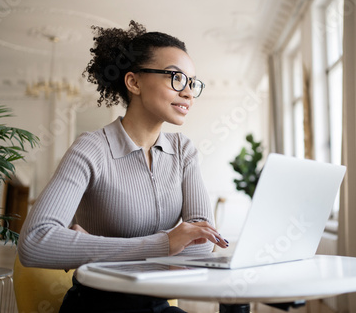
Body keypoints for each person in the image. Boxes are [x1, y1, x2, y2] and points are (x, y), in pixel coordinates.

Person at [18, 20, 228, 313]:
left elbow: (202, 244)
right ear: (134, 82)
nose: (189, 92)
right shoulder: (91, 148)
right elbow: (35, 242)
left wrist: (91, 249)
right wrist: (164, 245)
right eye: (176, 78)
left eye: (192, 82)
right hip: (96, 305)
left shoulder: (183, 152)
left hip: (157, 303)